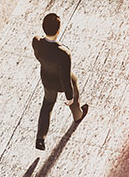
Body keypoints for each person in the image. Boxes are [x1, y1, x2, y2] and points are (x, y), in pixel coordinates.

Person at [32, 12, 88, 150]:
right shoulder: (63, 53)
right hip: (60, 83)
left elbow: (38, 57)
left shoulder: (36, 41)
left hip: (47, 79)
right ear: (58, 30)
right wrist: (69, 97)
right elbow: (65, 78)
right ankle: (77, 114)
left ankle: (40, 138)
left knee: (47, 105)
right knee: (74, 83)